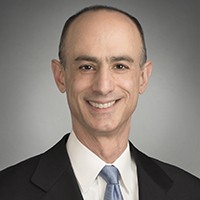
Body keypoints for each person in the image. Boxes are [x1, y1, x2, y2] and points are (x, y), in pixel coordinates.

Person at [0, 5, 199, 200]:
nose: (103, 87)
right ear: (60, 76)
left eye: (120, 66)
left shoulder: (191, 191)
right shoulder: (7, 190)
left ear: (143, 78)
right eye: (87, 67)